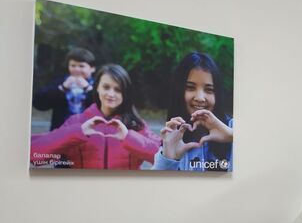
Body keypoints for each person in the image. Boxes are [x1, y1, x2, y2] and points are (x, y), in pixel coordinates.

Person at [30, 64, 161, 170]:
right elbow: (34, 156)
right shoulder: (76, 122)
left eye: (118, 89)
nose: (111, 94)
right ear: (97, 87)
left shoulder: (136, 125)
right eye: (106, 87)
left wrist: (129, 138)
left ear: (125, 93)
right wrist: (77, 133)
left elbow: (165, 158)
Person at [152, 52, 233, 171]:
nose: (200, 98)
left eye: (209, 90)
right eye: (190, 88)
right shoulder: (172, 138)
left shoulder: (233, 129)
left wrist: (232, 136)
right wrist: (168, 159)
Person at [33, 47, 96, 130]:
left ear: (92, 68)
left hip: (90, 131)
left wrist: (88, 88)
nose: (76, 69)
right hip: (62, 131)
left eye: (81, 66)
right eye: (73, 65)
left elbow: (102, 107)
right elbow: (38, 103)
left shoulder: (98, 84)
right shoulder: (61, 82)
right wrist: (63, 88)